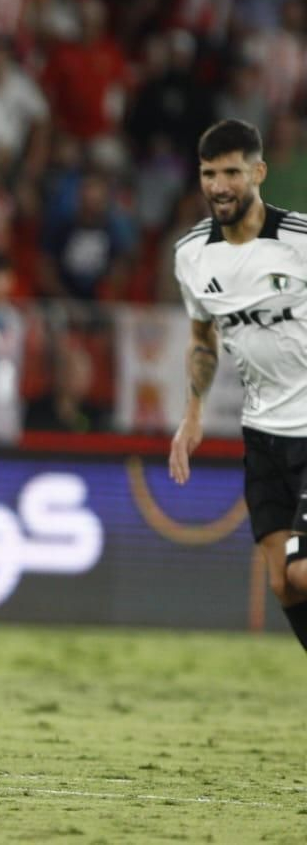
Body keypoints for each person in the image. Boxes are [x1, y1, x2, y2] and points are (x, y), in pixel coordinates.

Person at [170, 119, 307, 660]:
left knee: (303, 571)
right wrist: (193, 412)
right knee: (281, 582)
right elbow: (203, 336)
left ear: (258, 172)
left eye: (231, 172)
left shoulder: (299, 241)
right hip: (264, 434)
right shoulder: (192, 255)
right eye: (209, 174)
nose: (219, 186)